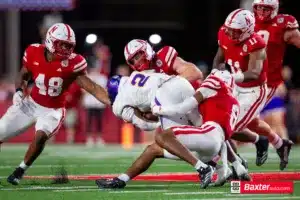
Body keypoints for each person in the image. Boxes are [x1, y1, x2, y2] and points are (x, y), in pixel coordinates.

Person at [0, 23, 110, 185]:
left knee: (40, 137)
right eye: (62, 44)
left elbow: (91, 87)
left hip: (53, 110)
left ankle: (20, 170)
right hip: (30, 103)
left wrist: (112, 101)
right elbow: (24, 74)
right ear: (51, 41)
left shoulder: (74, 63)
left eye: (69, 45)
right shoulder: (33, 51)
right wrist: (18, 91)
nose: (66, 49)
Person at [96, 68, 238, 189]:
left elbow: (145, 125)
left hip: (165, 94)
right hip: (181, 83)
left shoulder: (119, 101)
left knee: (167, 140)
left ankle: (203, 167)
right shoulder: (136, 75)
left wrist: (158, 115)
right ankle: (121, 180)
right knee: (187, 136)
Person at [213, 9, 292, 170]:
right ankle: (276, 142)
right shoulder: (224, 32)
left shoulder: (256, 43)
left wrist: (232, 77)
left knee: (228, 127)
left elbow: (254, 73)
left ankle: (214, 161)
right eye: (230, 30)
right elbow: (219, 58)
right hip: (235, 86)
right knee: (251, 122)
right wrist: (217, 73)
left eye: (236, 32)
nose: (231, 34)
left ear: (247, 30)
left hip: (254, 90)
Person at [124, 39, 202, 88]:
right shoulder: (139, 78)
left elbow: (195, 73)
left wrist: (166, 87)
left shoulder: (162, 57)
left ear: (146, 49)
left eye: (137, 56)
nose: (136, 62)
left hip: (196, 97)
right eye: (132, 61)